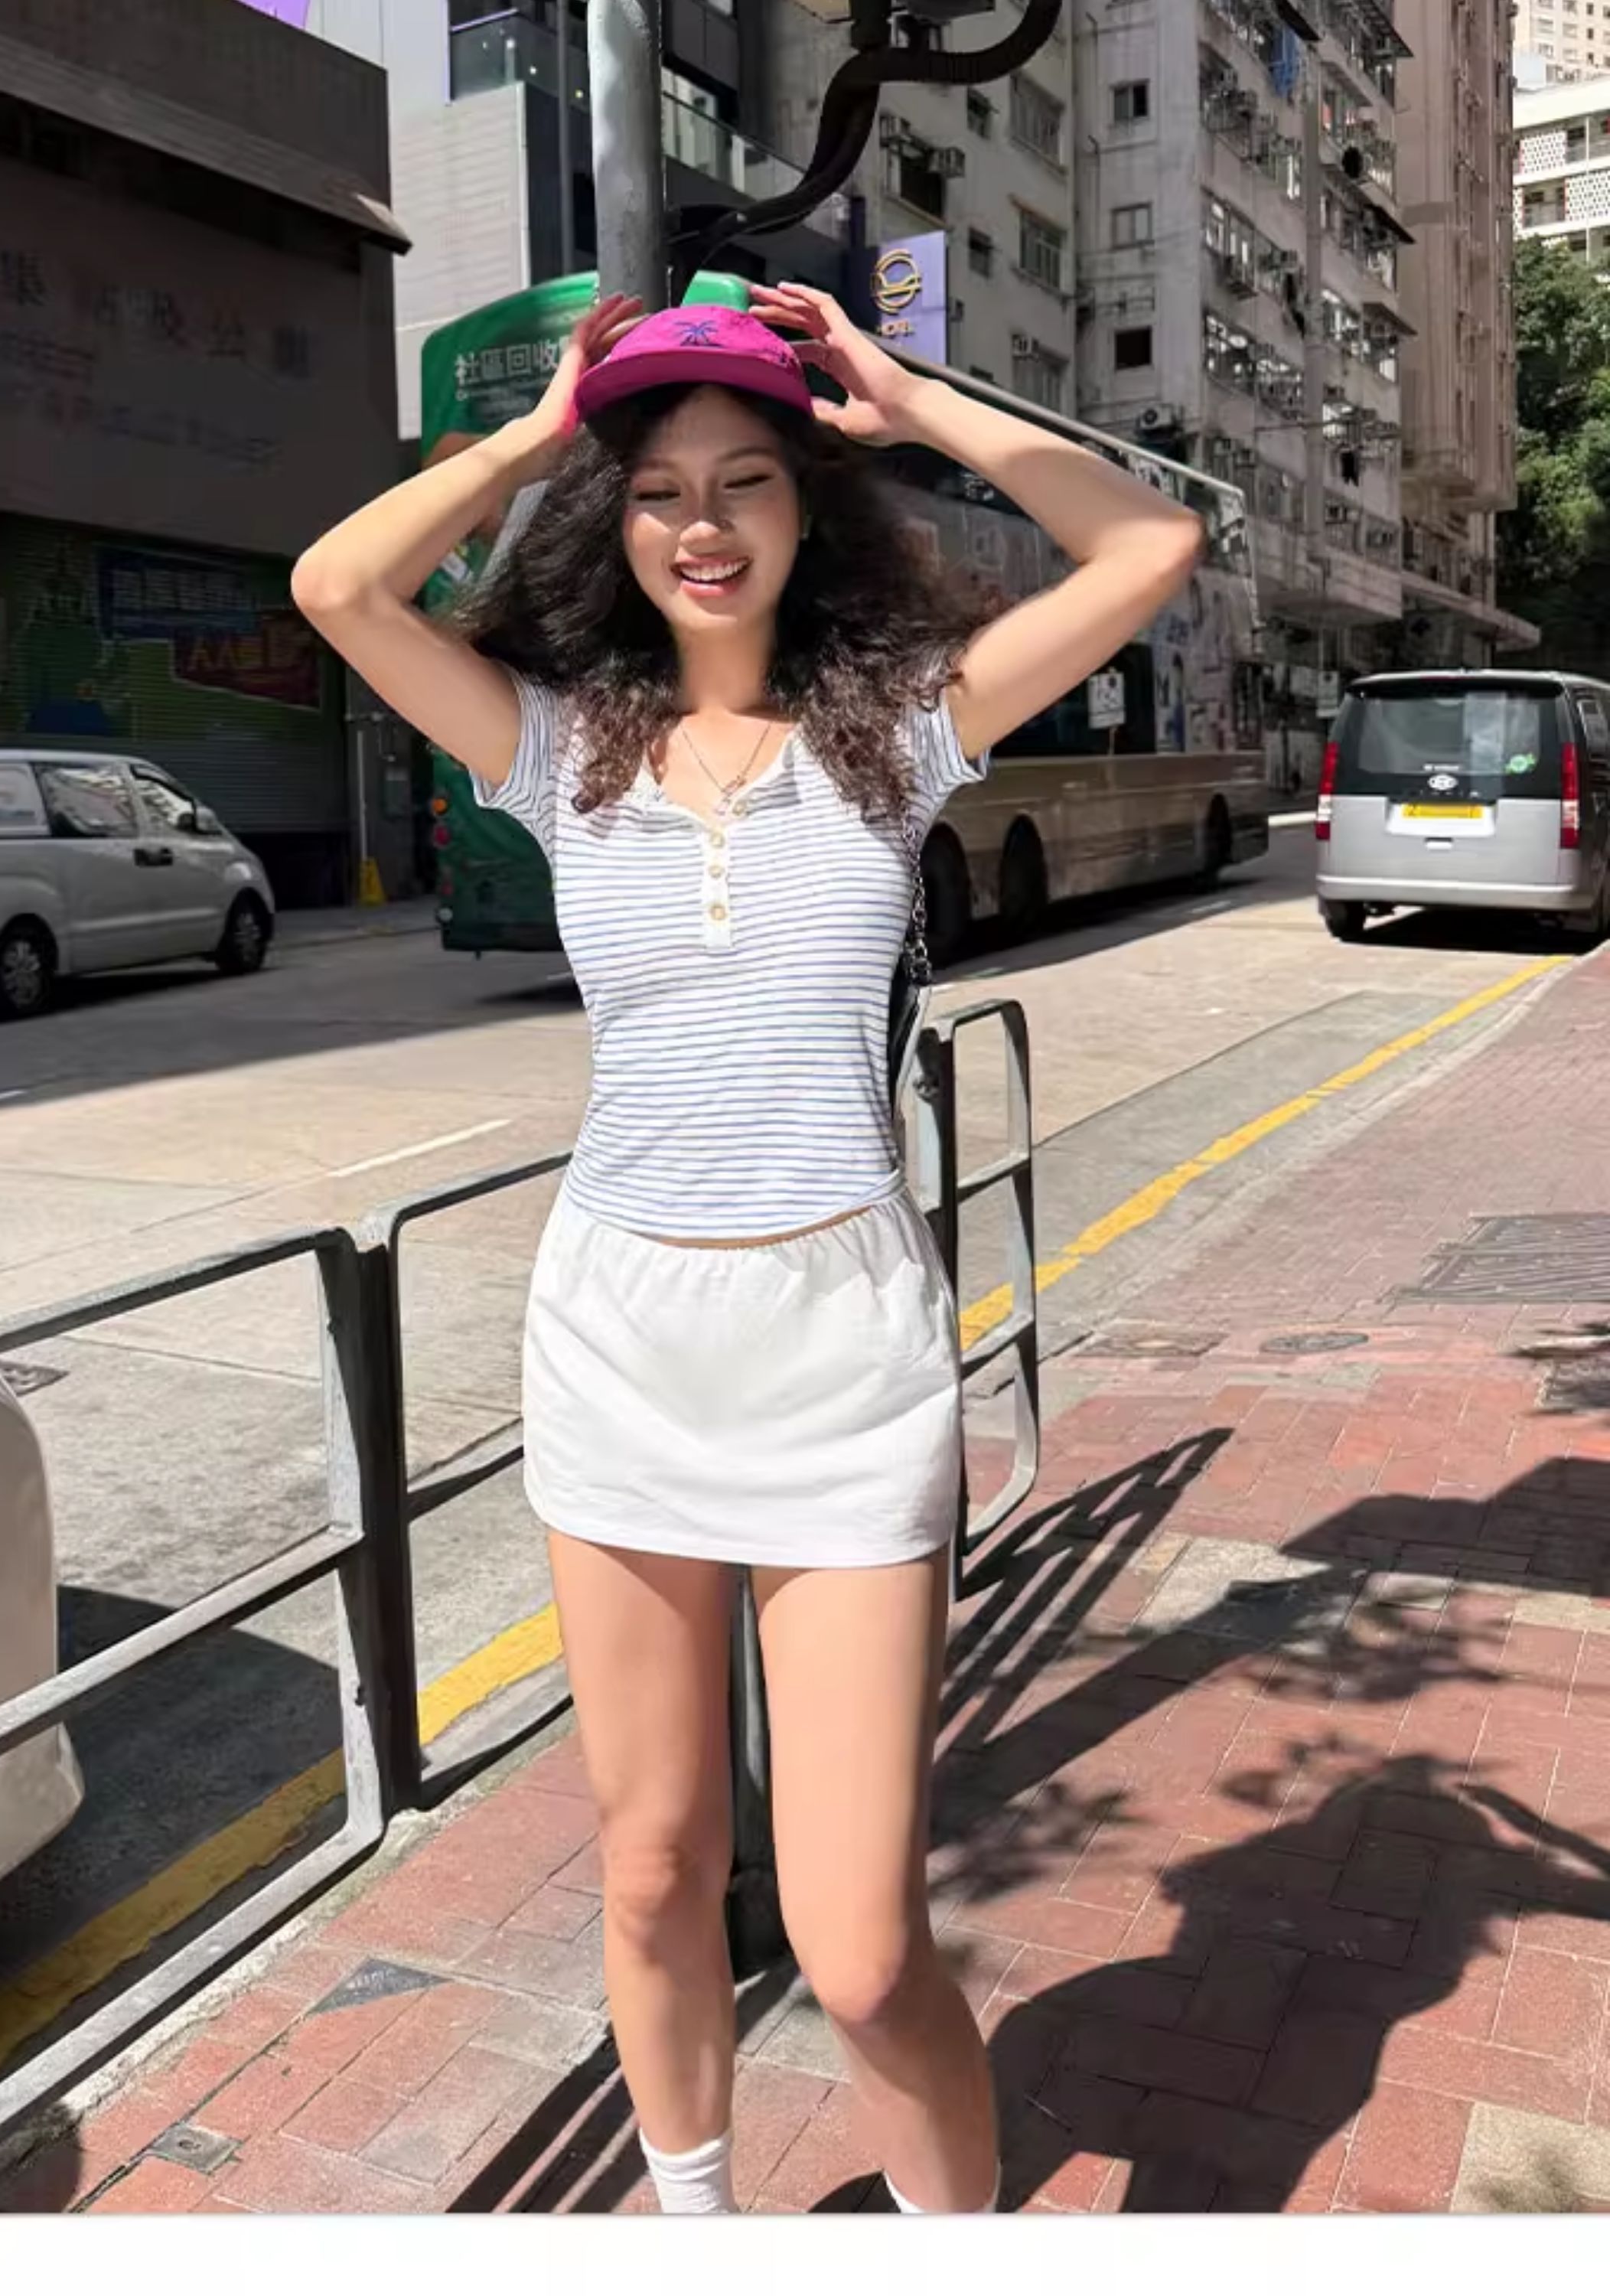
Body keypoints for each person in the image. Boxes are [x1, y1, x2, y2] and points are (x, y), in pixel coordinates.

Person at [292, 284, 1202, 2216]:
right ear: (614, 524)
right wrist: (534, 437)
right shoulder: (558, 750)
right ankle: (695, 2226)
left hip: (841, 1353)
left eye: (747, 481)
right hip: (622, 1339)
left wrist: (909, 401)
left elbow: (1151, 545)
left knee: (860, 1950)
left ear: (811, 508)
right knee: (648, 1870)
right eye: (659, 490)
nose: (700, 524)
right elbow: (337, 586)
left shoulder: (900, 735)